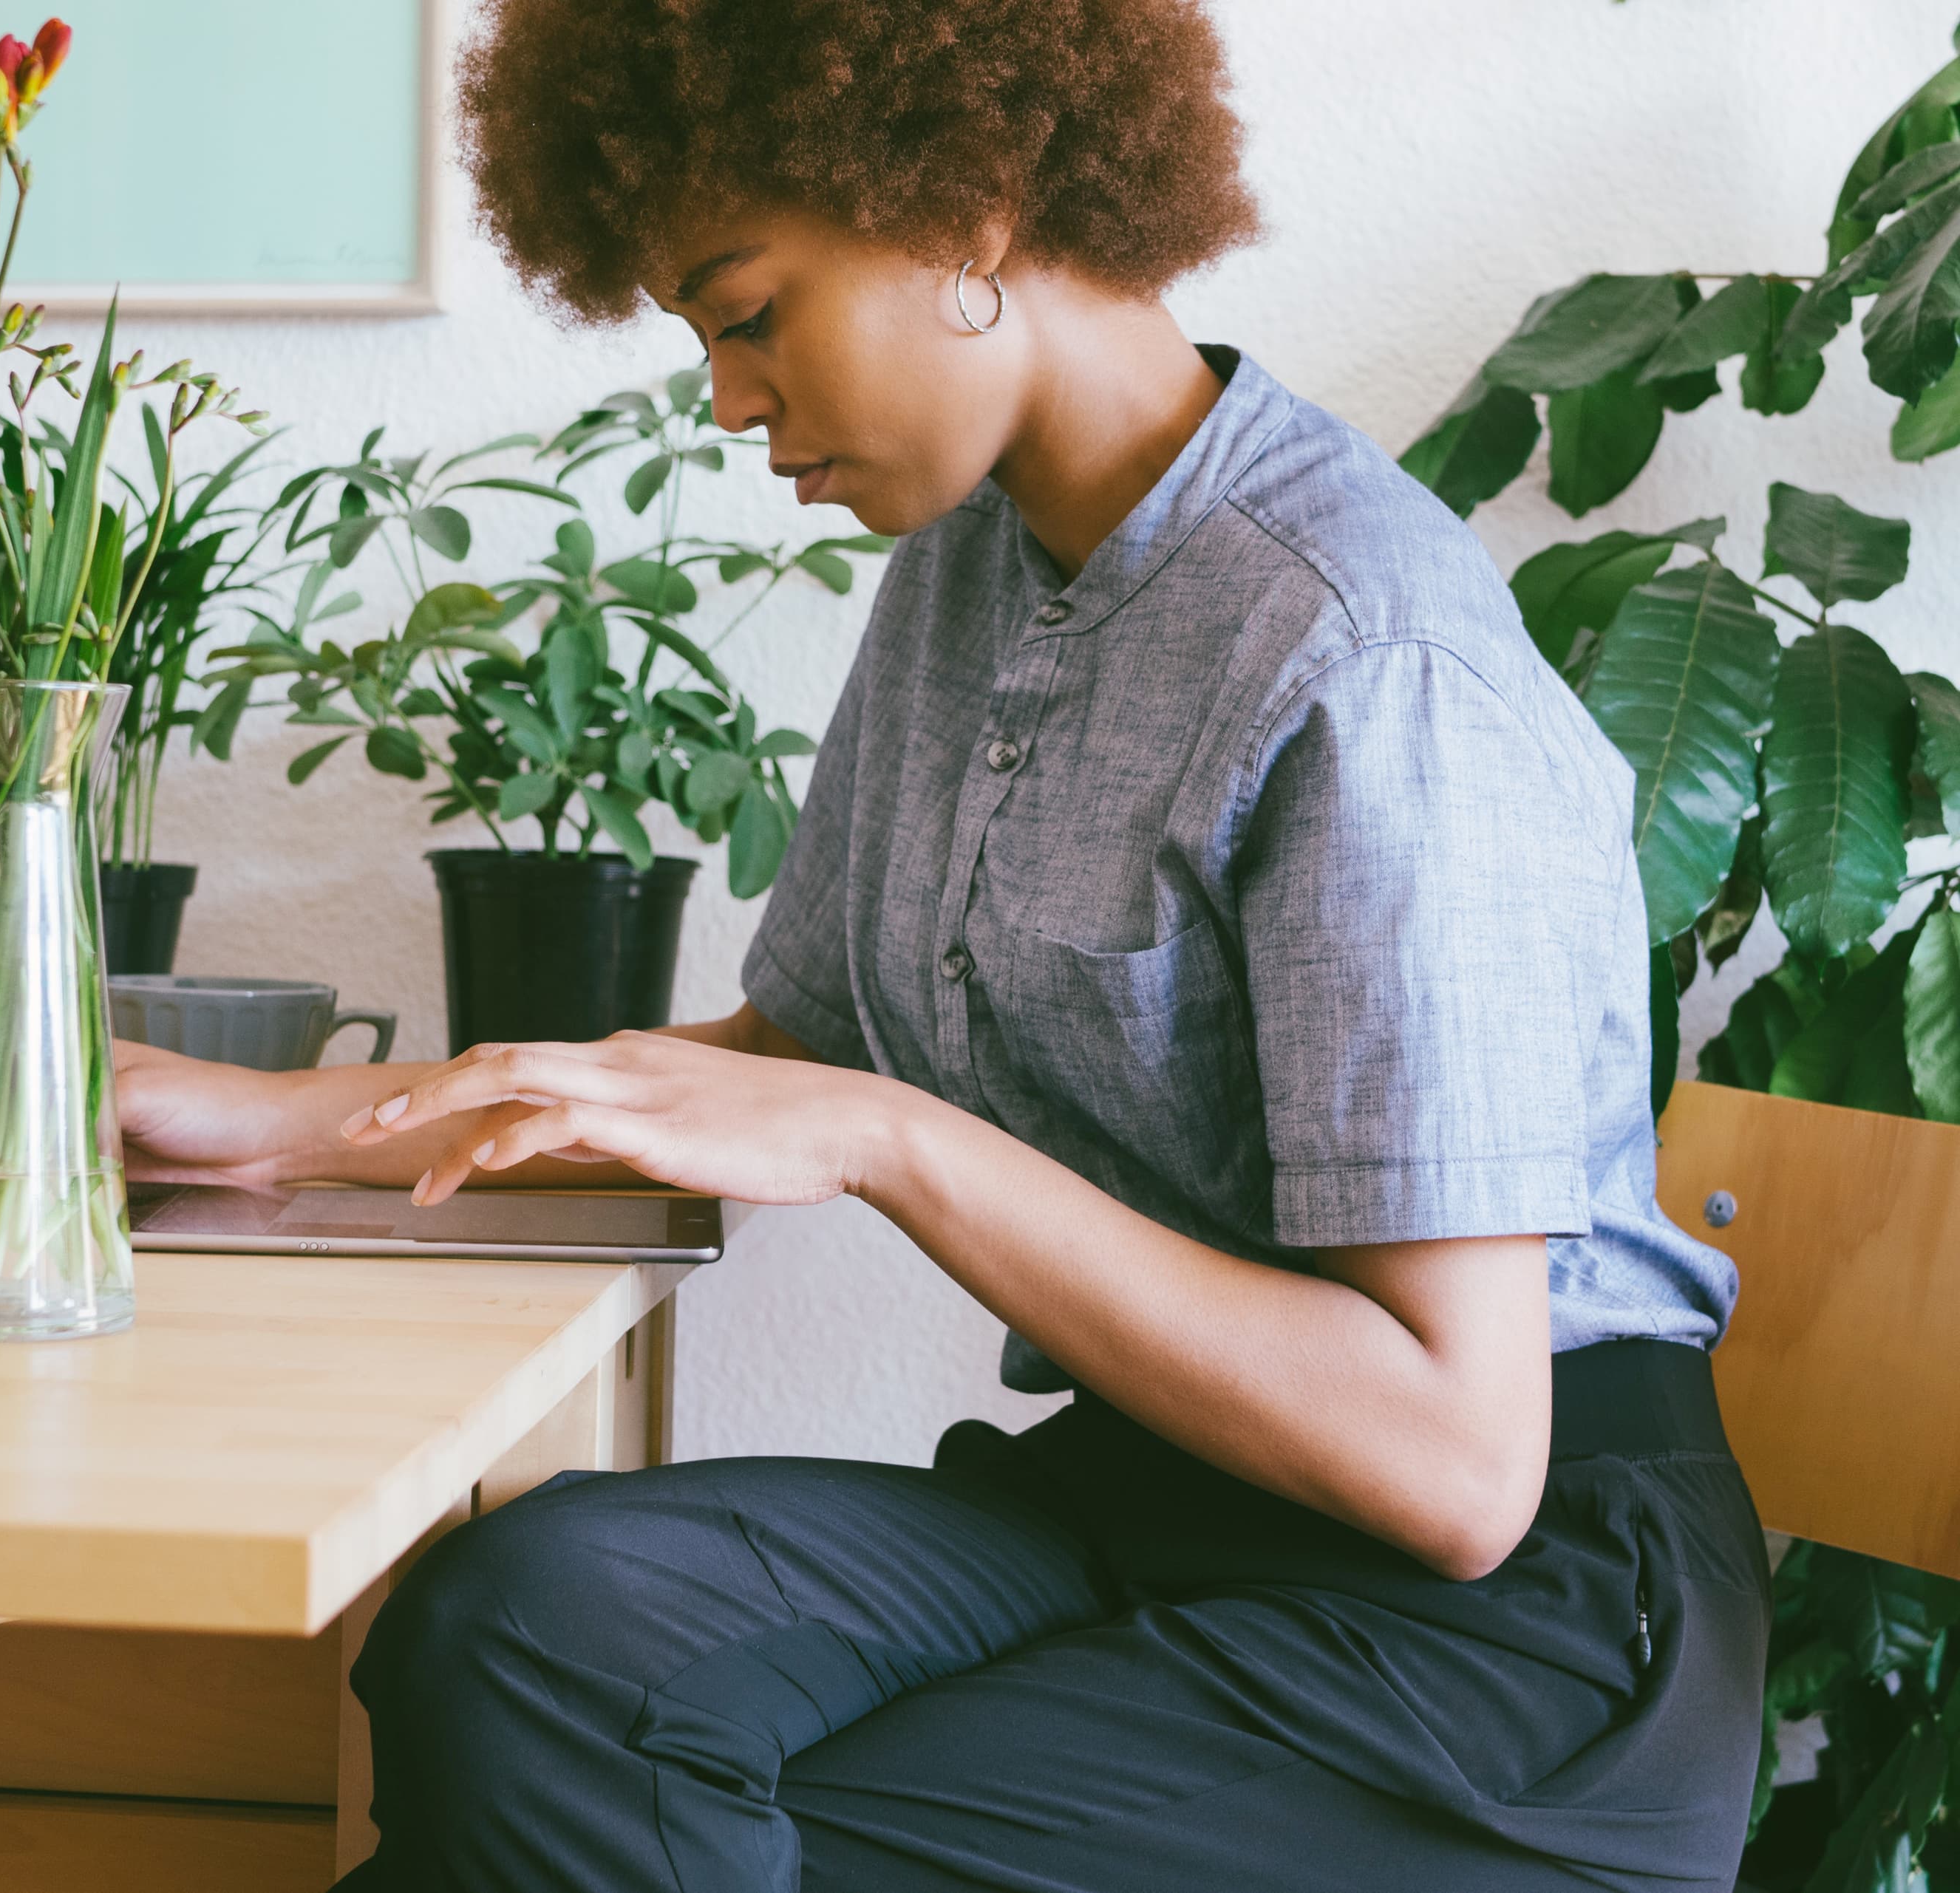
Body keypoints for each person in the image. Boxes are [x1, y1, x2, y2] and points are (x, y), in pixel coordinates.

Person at [112, 0, 1769, 1885]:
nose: (728, 401)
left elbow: (1458, 1471)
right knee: (518, 1629)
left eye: (747, 313)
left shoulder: (1361, 656)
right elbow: (768, 1075)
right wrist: (281, 1130)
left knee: (623, 1811)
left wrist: (894, 1140)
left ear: (968, 212)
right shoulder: (968, 573)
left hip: (1511, 1644)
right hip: (1152, 1504)